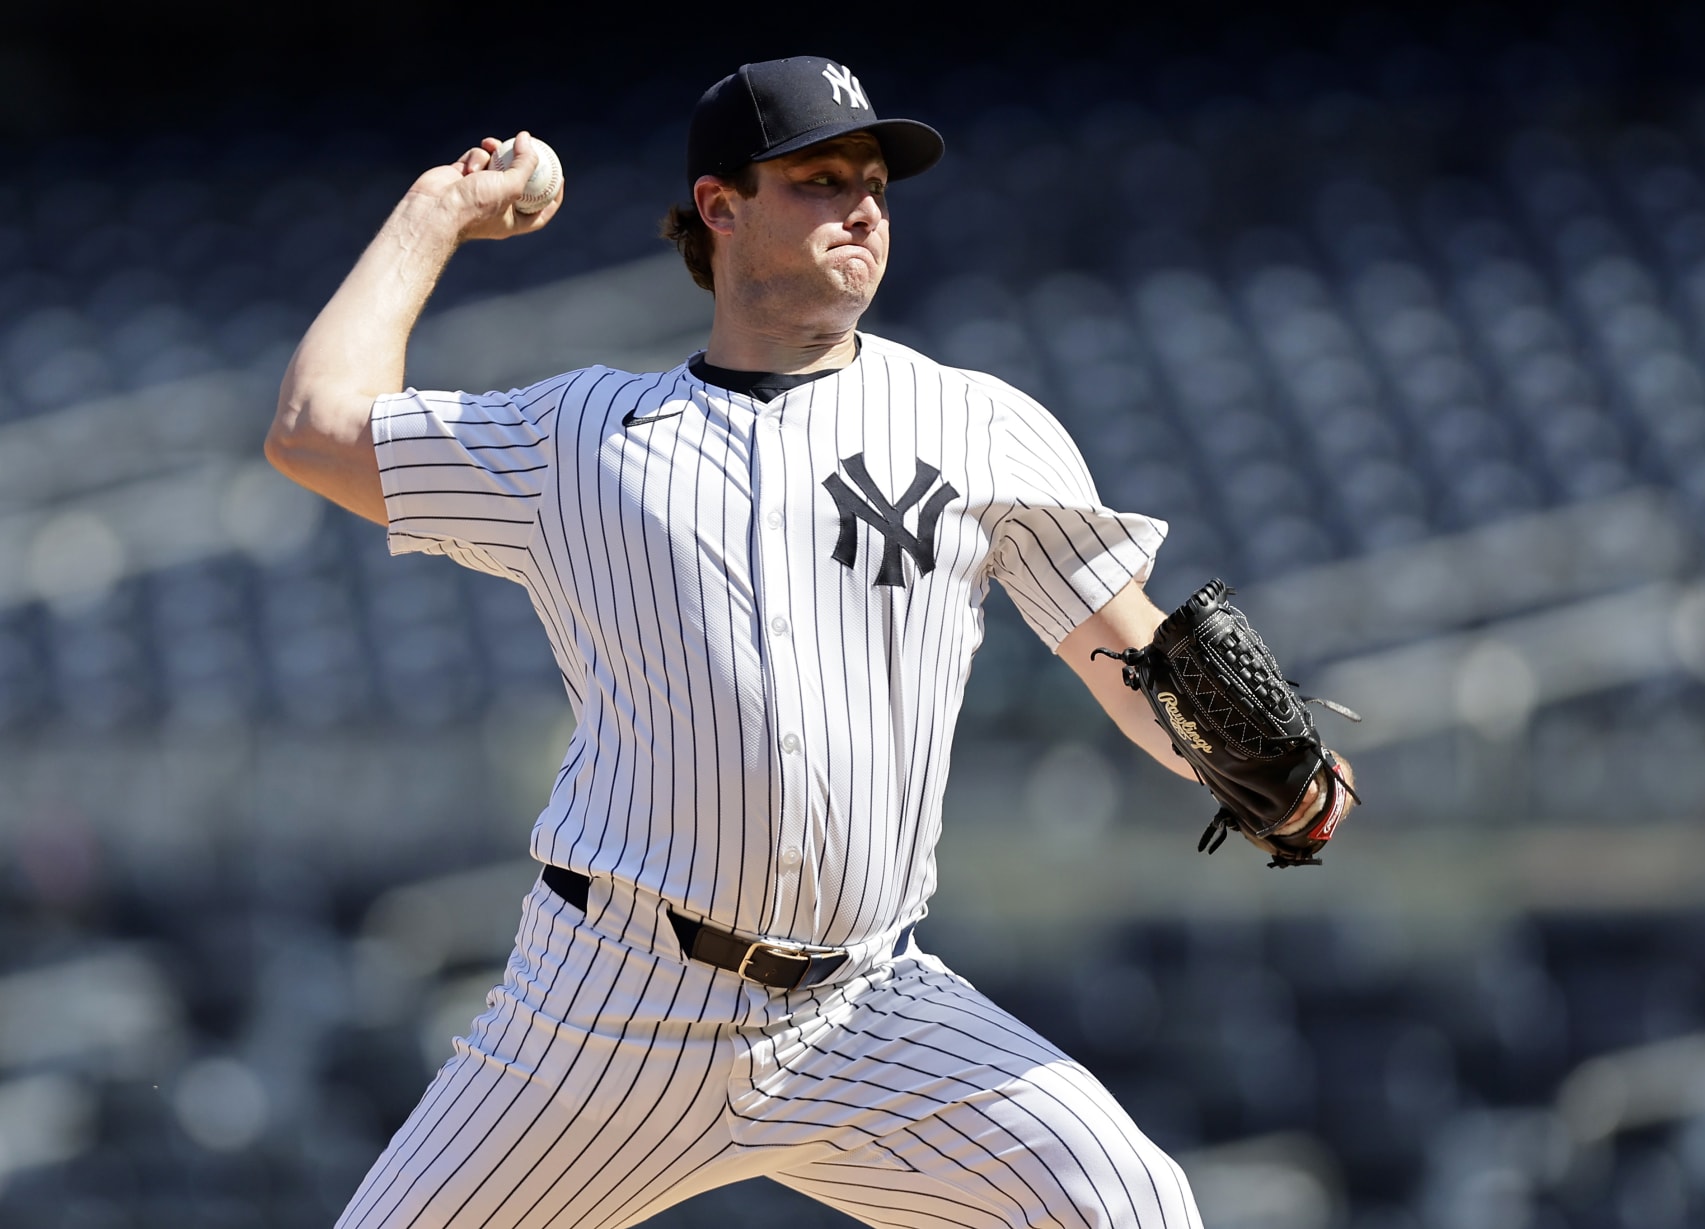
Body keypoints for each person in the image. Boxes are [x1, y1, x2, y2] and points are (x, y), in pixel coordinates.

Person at [267, 54, 1352, 1229]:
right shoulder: (576, 434)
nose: (865, 206)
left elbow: (1128, 649)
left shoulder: (976, 424)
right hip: (610, 1005)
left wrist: (1260, 776)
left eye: (876, 181)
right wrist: (439, 211)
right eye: (822, 178)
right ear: (721, 207)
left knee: (1125, 1201)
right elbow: (315, 427)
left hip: (867, 1010)